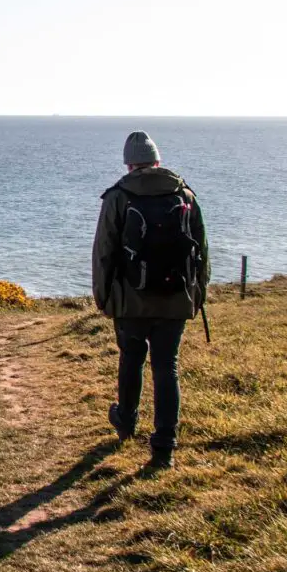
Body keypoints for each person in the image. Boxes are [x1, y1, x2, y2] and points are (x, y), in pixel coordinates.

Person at [92, 131, 209, 469]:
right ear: (158, 161)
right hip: (176, 299)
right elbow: (202, 249)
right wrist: (197, 294)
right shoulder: (185, 194)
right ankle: (164, 447)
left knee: (131, 358)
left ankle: (126, 422)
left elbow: (104, 252)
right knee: (166, 366)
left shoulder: (118, 196)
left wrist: (103, 296)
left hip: (131, 299)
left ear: (129, 163)